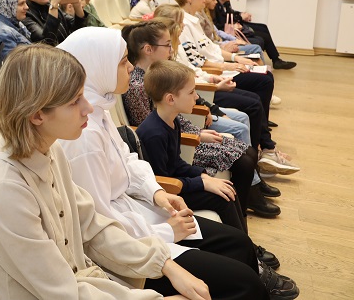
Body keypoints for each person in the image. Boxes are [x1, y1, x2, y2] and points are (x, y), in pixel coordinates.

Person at [56, 27, 294, 299]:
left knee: (237, 242)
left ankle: (255, 271)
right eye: (122, 61)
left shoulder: (99, 111)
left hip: (139, 213)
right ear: (98, 67)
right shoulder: (83, 135)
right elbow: (101, 226)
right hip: (133, 247)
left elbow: (128, 160)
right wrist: (165, 231)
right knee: (243, 283)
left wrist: (156, 192)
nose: (131, 66)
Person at [0, 43, 212, 300]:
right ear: (37, 115)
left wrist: (165, 264)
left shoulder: (51, 152)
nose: (89, 108)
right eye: (75, 101)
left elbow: (93, 227)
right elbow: (62, 291)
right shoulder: (4, 191)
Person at [120, 22, 279, 218]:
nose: (172, 49)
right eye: (167, 45)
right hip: (183, 144)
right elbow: (152, 126)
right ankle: (249, 199)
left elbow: (173, 119)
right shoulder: (139, 87)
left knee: (248, 151)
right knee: (244, 160)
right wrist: (197, 137)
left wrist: (199, 130)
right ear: (148, 49)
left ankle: (250, 194)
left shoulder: (159, 76)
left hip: (182, 138)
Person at [153, 5, 299, 178]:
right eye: (179, 23)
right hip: (203, 94)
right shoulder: (165, 64)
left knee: (255, 98)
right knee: (253, 105)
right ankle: (258, 165)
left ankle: (260, 160)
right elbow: (184, 93)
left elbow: (195, 70)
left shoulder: (175, 50)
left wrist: (213, 79)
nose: (183, 25)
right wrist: (210, 103)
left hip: (203, 89)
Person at [136, 61, 247, 232]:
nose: (196, 97)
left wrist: (203, 176)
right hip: (167, 193)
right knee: (223, 198)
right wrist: (201, 184)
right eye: (191, 92)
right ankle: (242, 243)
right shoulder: (154, 134)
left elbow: (176, 164)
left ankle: (245, 241)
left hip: (176, 184)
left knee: (227, 189)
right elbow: (164, 181)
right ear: (170, 99)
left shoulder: (172, 121)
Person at [210, 0, 296, 69]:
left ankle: (273, 60)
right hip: (229, 33)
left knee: (263, 28)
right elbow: (219, 27)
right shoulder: (214, 7)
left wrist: (240, 16)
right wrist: (238, 21)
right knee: (260, 39)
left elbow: (231, 15)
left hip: (234, 29)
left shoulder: (225, 3)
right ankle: (261, 63)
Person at [21, 0, 86, 45]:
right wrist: (54, 6)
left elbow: (77, 27)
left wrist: (77, 5)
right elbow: (46, 41)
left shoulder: (48, 5)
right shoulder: (25, 13)